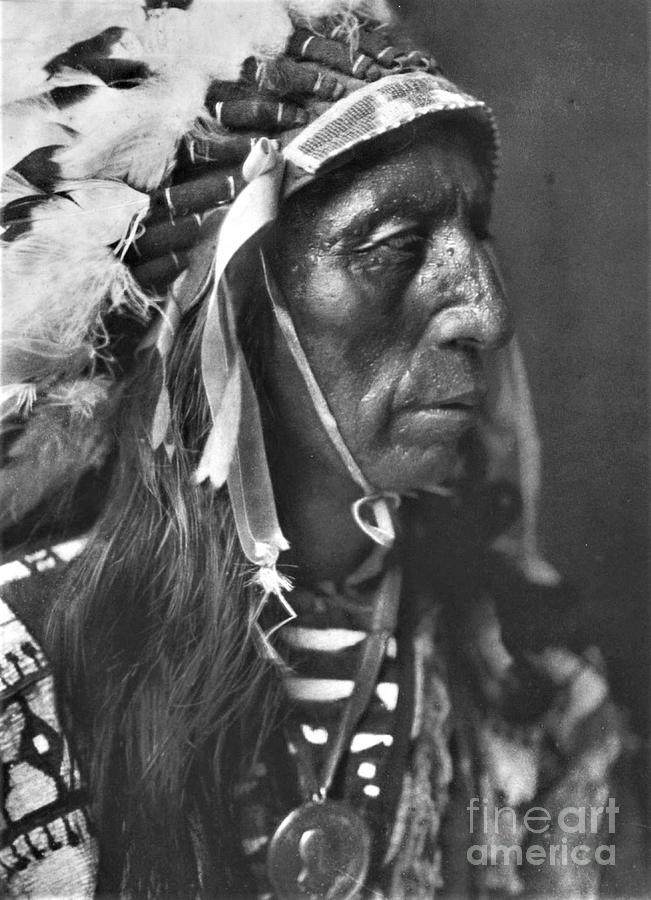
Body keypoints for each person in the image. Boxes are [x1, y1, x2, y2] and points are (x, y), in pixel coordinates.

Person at [1, 2, 623, 897]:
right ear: (239, 308)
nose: (486, 313)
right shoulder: (20, 685)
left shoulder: (541, 698)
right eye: (394, 247)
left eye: (476, 232)